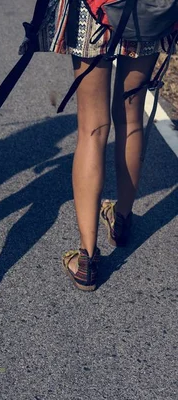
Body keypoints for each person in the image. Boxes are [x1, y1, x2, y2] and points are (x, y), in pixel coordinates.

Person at [43, 1, 177, 291]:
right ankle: (122, 221)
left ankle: (87, 259)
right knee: (131, 118)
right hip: (146, 10)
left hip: (91, 12)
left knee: (92, 128)